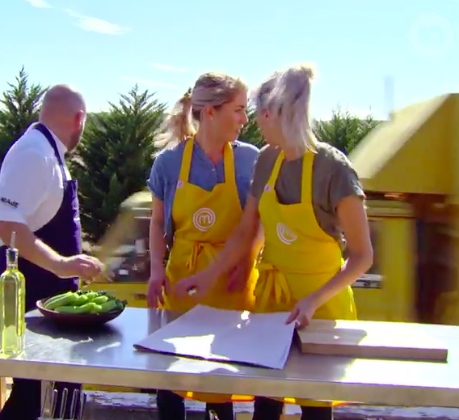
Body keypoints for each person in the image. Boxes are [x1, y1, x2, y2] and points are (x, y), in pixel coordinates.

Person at [175, 64, 374, 420]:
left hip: (321, 310)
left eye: (255, 113)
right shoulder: (267, 160)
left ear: (270, 113)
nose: (252, 121)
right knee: (266, 404)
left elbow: (362, 256)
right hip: (271, 307)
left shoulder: (334, 169)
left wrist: (313, 301)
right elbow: (246, 231)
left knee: (315, 410)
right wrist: (209, 275)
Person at [147, 72, 262, 420]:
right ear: (210, 112)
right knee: (170, 375)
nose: (244, 119)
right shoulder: (168, 163)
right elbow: (157, 222)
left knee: (220, 378)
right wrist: (156, 270)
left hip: (232, 281)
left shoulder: (250, 160)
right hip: (181, 281)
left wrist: (245, 265)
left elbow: (258, 223)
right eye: (238, 110)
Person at [0, 84, 104, 420]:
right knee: (30, 398)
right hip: (31, 298)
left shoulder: (48, 152)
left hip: (50, 299)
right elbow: (3, 221)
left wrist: (72, 262)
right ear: (79, 119)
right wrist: (61, 264)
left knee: (60, 396)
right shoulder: (34, 153)